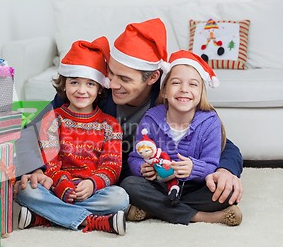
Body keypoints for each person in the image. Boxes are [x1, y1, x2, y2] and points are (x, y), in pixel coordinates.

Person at [14, 18, 243, 224]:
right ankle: (95, 218)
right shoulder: (91, 91)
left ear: (152, 78)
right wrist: (35, 169)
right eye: (111, 73)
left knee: (218, 192)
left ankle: (155, 209)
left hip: (127, 183)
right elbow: (30, 132)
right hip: (91, 180)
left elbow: (223, 143)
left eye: (124, 79)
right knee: (31, 190)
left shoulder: (167, 101)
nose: (112, 84)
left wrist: (225, 170)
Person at [15, 36, 128, 235]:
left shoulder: (110, 124)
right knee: (24, 190)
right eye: (74, 82)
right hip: (57, 187)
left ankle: (43, 217)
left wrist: (93, 184)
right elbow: (50, 160)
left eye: (90, 84)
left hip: (92, 190)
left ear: (100, 88)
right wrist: (61, 183)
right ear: (64, 85)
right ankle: (91, 221)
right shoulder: (52, 119)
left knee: (120, 198)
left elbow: (112, 164)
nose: (81, 90)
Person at [123, 50, 242, 226]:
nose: (184, 89)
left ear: (202, 92)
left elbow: (211, 164)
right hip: (161, 186)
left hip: (193, 187)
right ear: (164, 90)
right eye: (176, 83)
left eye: (193, 84)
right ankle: (200, 216)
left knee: (227, 193)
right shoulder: (151, 119)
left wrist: (193, 169)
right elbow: (135, 157)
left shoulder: (210, 122)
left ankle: (153, 209)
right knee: (129, 185)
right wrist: (142, 168)